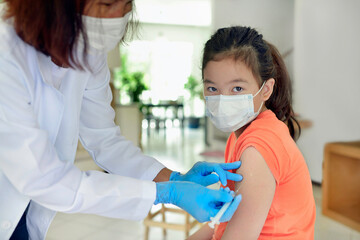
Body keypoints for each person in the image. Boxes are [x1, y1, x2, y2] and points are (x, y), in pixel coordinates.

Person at [0, 1, 243, 239]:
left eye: (126, 5)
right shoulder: (6, 55)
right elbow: (44, 178)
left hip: (25, 214)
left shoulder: (88, 54)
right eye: (107, 5)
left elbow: (105, 140)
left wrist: (173, 178)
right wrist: (164, 193)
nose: (118, 16)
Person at [188, 26, 316, 240]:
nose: (222, 99)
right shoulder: (240, 135)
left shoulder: (258, 146)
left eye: (237, 88)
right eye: (212, 89)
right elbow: (223, 218)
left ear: (266, 89)